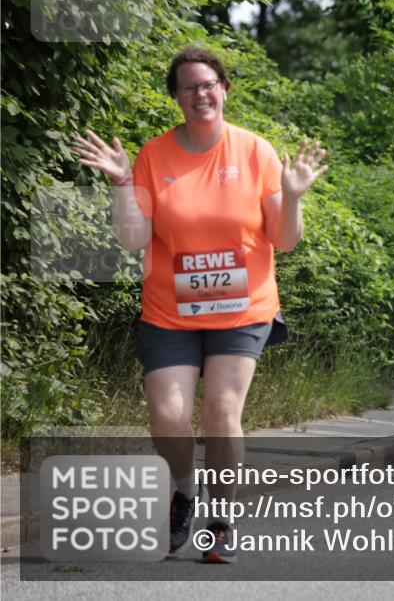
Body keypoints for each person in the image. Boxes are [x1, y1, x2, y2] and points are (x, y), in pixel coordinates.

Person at [73, 46, 328, 563]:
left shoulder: (254, 151)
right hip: (171, 310)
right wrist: (123, 182)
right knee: (168, 415)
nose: (200, 94)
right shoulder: (153, 156)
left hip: (242, 309)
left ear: (224, 89)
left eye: (208, 84)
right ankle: (185, 490)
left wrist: (294, 195)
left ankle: (223, 517)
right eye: (188, 87)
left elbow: (285, 240)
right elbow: (133, 239)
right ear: (176, 97)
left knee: (220, 410)